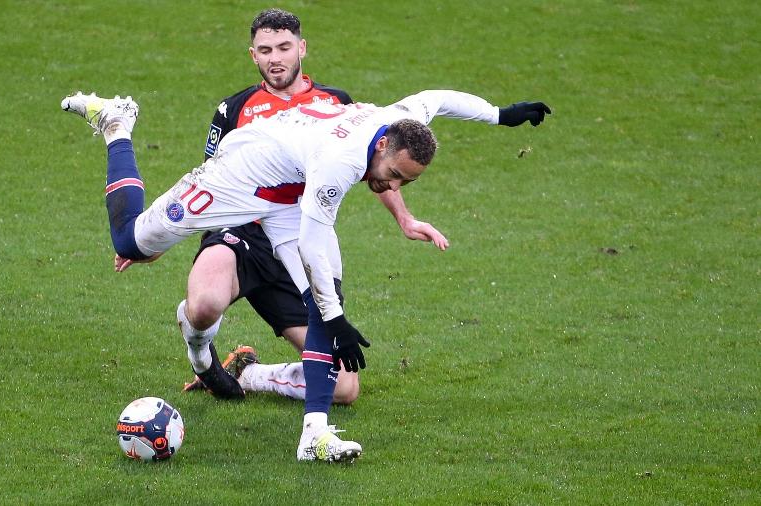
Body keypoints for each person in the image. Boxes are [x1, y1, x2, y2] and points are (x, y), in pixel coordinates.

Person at [60, 88, 550, 461]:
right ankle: (116, 125)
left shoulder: (403, 122)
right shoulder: (340, 163)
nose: (392, 184)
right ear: (381, 145)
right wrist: (334, 319)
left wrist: (500, 116)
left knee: (323, 296)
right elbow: (315, 240)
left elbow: (438, 98)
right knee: (129, 242)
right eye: (393, 173)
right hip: (240, 176)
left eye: (405, 182)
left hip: (289, 194)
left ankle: (314, 434)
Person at [178, 8, 445, 404]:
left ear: (301, 48)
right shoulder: (233, 109)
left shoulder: (337, 103)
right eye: (265, 49)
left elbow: (377, 168)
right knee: (203, 306)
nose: (276, 58)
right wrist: (150, 240)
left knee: (344, 388)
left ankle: (249, 373)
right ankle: (204, 363)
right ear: (253, 55)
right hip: (241, 232)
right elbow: (209, 179)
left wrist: (404, 218)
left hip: (298, 243)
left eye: (284, 47)